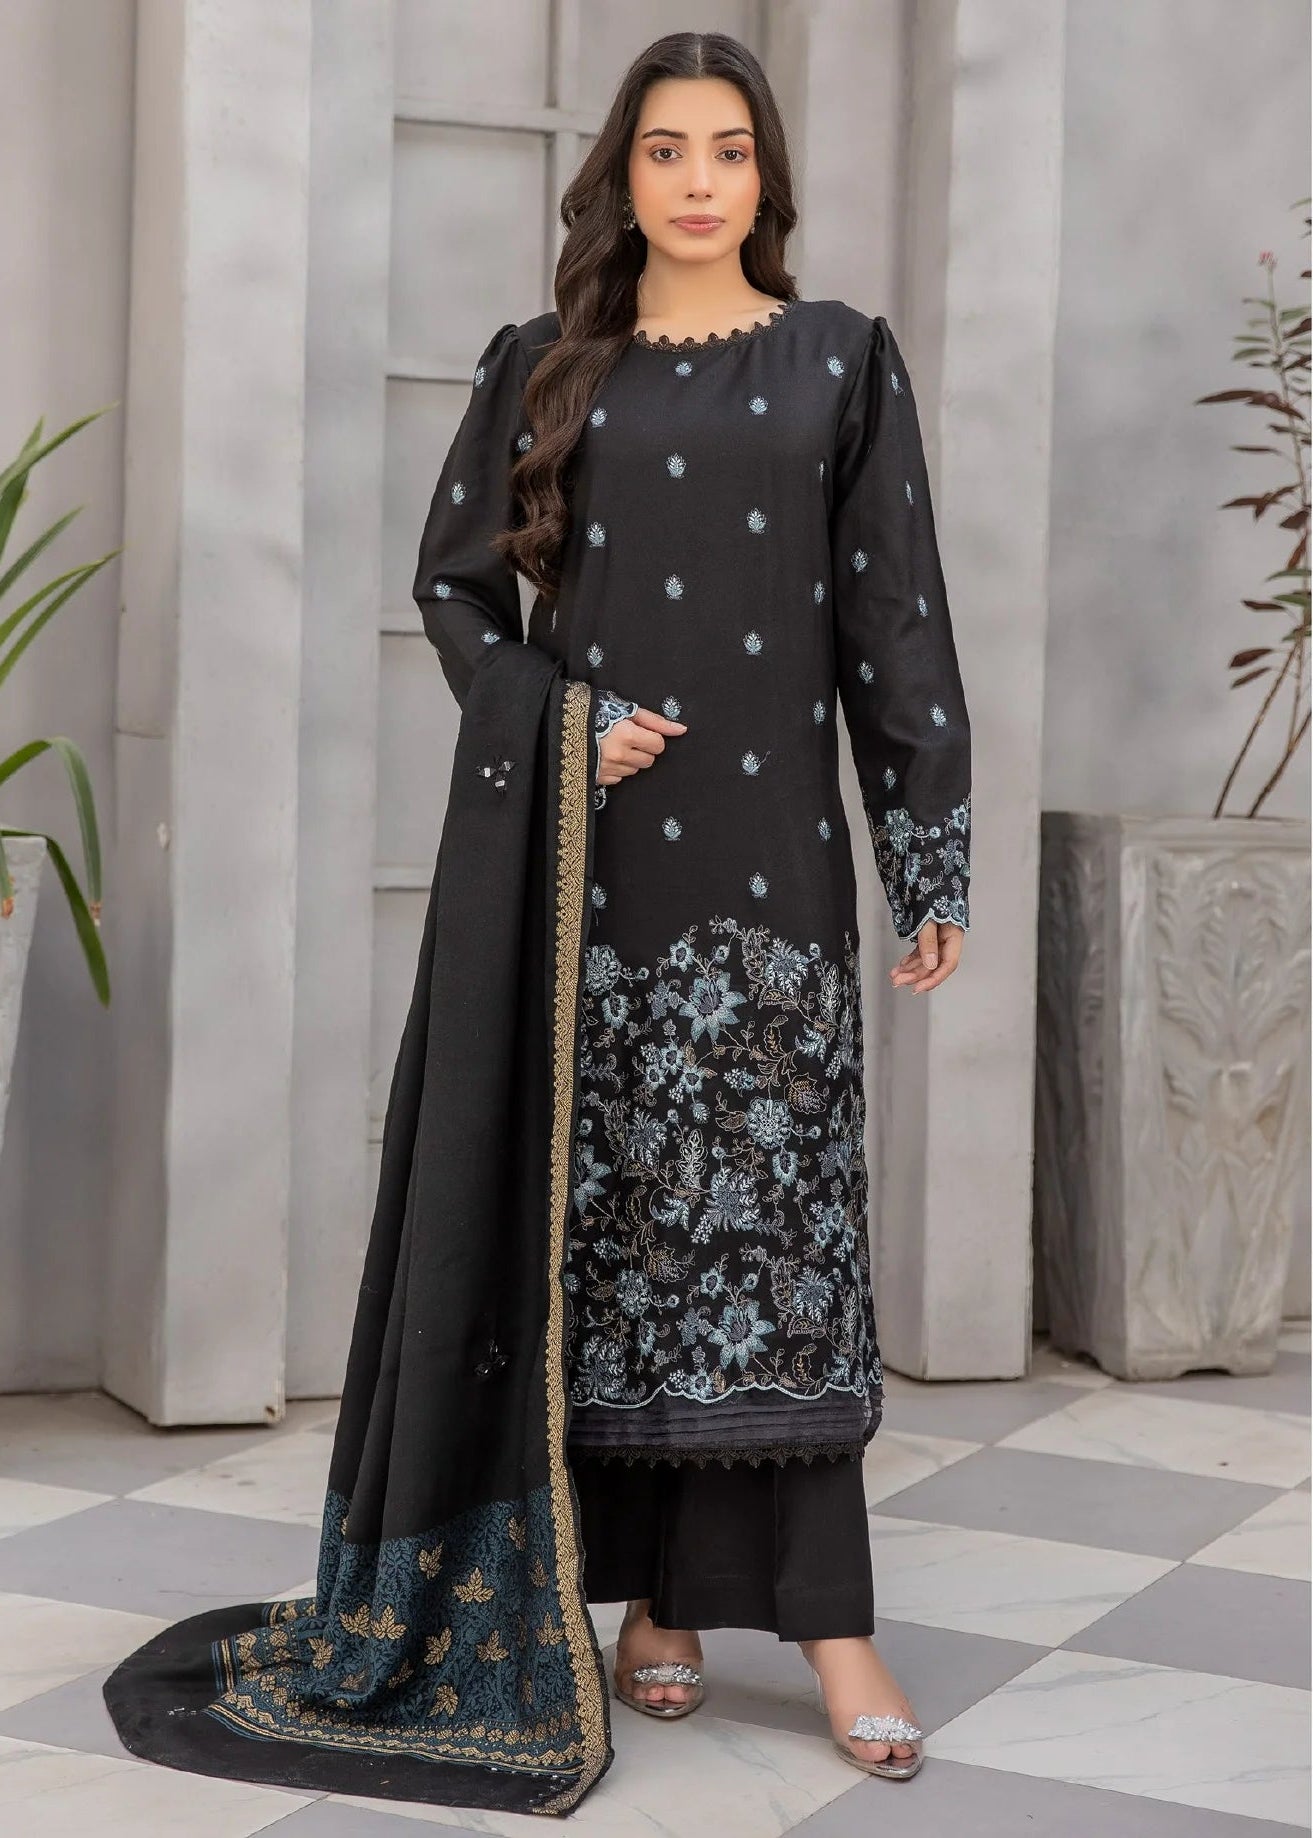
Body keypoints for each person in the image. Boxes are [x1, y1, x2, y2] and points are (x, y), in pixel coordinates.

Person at [102, 28, 969, 1819]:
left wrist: (924, 852)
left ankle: (828, 1627)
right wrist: (564, 720)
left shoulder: (839, 365)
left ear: (767, 178)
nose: (700, 181)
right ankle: (649, 1592)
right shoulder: (544, 369)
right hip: (591, 879)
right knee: (623, 1255)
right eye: (666, 150)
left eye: (730, 150)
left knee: (777, 1255)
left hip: (773, 879)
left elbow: (896, 627)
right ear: (621, 174)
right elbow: (453, 587)